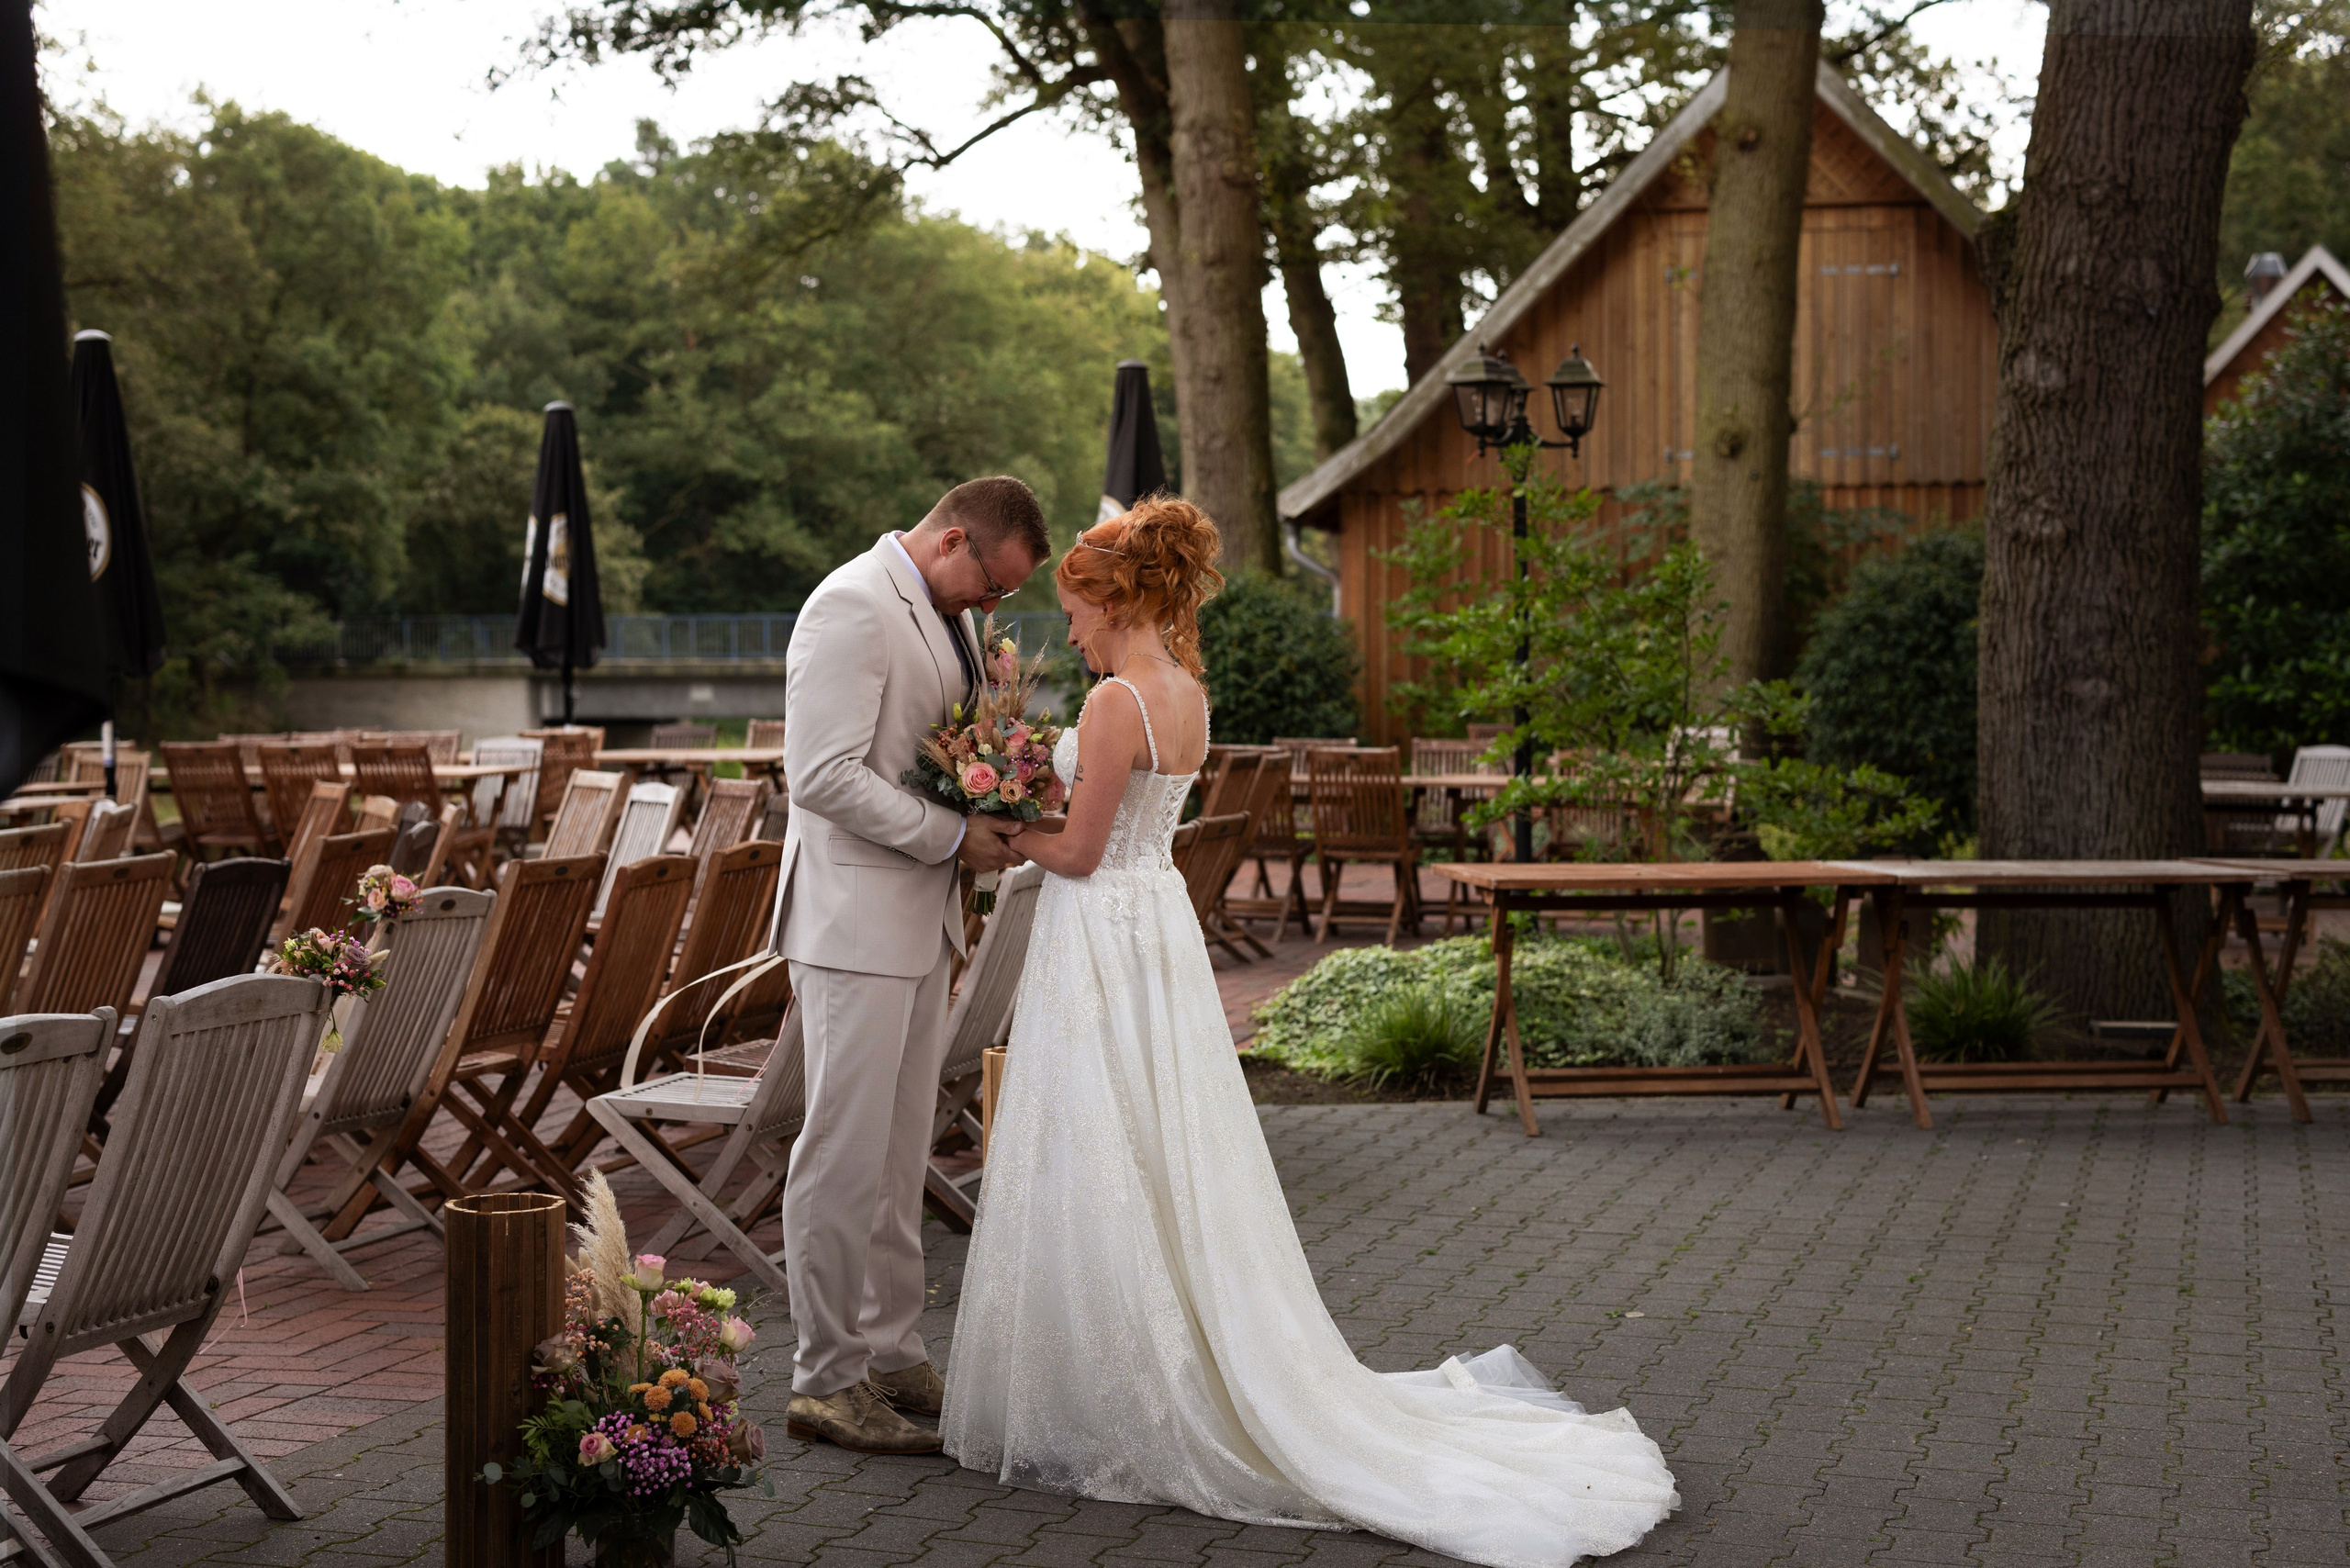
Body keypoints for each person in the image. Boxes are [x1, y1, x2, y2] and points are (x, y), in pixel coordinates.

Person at [941, 498, 1678, 1567]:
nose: (1071, 631)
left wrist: (994, 827)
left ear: (1112, 596)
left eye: (1074, 610)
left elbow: (1084, 851)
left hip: (1101, 932)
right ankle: (1137, 1359)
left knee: (1096, 1143)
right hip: (1156, 936)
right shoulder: (1184, 694)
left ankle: (1115, 1393)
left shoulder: (1111, 703)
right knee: (1158, 1146)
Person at [776, 476, 1047, 1455]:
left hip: (919, 921)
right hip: (852, 920)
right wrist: (950, 834)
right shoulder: (851, 603)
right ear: (952, 541)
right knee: (843, 1154)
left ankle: (889, 1349)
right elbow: (819, 773)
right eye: (991, 589)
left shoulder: (947, 612)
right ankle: (823, 1375)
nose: (990, 610)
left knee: (897, 1157)